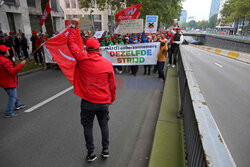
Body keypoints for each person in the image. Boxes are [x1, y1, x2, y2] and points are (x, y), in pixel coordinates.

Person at [67, 18, 116, 162]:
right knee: (104, 125)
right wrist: (112, 99)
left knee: (87, 127)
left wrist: (73, 26)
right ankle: (106, 150)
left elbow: (70, 43)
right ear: (99, 48)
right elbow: (112, 85)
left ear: (86, 48)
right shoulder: (107, 64)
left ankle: (91, 153)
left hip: (87, 102)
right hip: (103, 102)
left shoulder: (81, 57)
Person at [0, 45, 26, 118]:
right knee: (13, 96)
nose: (9, 51)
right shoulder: (4, 60)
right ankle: (9, 112)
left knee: (12, 95)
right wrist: (21, 65)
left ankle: (18, 104)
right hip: (8, 81)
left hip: (4, 81)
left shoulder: (2, 59)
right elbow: (12, 71)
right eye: (7, 50)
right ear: (4, 52)